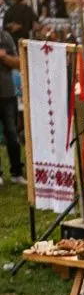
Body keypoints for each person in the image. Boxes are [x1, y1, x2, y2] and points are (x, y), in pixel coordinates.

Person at [0, 24, 23, 186]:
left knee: (13, 134)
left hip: (7, 93)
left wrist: (3, 57)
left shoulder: (5, 37)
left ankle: (17, 172)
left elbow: (18, 62)